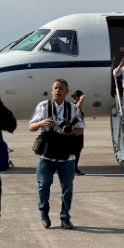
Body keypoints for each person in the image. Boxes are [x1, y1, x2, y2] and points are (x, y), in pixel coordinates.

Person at [29, 79, 84, 229]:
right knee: (43, 185)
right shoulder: (43, 106)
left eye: (60, 88)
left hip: (67, 157)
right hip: (46, 155)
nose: (57, 91)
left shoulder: (73, 108)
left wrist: (69, 131)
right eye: (55, 88)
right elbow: (31, 127)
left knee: (67, 189)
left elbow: (81, 130)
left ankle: (65, 218)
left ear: (66, 91)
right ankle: (44, 214)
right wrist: (41, 123)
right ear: (51, 90)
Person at [72, 90, 85, 176]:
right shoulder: (72, 106)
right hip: (74, 134)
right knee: (74, 152)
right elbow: (78, 106)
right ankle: (74, 169)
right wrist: (82, 98)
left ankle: (75, 168)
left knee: (77, 151)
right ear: (77, 97)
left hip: (79, 133)